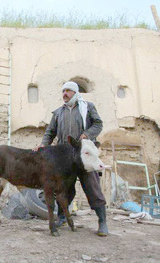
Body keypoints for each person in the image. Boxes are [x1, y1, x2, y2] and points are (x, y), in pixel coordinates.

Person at [34, 81, 109, 237]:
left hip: (84, 156)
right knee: (63, 188)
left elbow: (98, 124)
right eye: (63, 91)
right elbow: (50, 132)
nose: (64, 94)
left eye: (68, 91)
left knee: (92, 186)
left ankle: (102, 221)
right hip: (65, 159)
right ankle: (62, 217)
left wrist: (87, 134)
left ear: (75, 92)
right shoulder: (58, 113)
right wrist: (43, 145)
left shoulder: (87, 107)